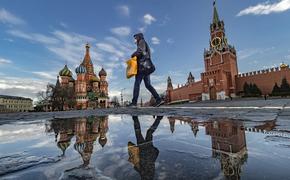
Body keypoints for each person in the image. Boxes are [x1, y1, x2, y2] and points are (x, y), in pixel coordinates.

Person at [128, 33, 164, 107]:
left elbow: (140, 51)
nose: (135, 39)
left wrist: (133, 55)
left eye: (135, 38)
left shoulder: (141, 41)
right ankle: (158, 99)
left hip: (142, 67)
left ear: (139, 37)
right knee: (148, 85)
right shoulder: (143, 42)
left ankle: (134, 102)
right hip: (146, 67)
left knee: (137, 83)